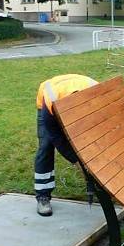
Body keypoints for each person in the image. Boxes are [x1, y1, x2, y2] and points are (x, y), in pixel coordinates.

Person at [34, 74, 98, 216]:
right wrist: (76, 162)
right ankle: (43, 196)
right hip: (46, 101)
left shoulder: (96, 93)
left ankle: (98, 185)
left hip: (80, 92)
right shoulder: (51, 102)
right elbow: (57, 138)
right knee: (46, 146)